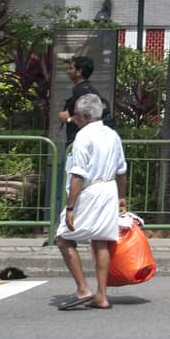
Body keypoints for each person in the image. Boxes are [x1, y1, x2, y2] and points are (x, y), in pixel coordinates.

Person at [55, 93, 127, 311]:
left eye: (76, 116)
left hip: (90, 192)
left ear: (86, 116)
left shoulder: (83, 137)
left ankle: (83, 288)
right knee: (101, 240)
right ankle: (101, 296)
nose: (73, 119)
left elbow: (78, 175)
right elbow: (121, 170)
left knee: (62, 238)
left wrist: (70, 207)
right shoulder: (112, 134)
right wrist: (122, 196)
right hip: (109, 190)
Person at [57, 55, 110, 146]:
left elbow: (86, 118)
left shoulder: (81, 91)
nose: (68, 71)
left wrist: (68, 119)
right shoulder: (90, 90)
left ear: (79, 72)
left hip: (78, 140)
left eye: (71, 68)